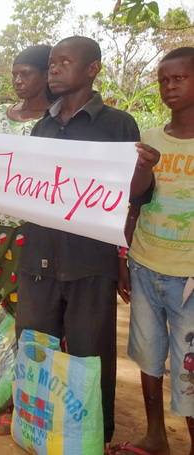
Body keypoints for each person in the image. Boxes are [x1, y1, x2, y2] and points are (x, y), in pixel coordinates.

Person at [0, 36, 157, 444]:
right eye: (51, 62)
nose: (53, 68)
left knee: (90, 352)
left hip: (89, 260)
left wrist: (143, 168)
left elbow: (136, 193)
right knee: (34, 344)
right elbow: (24, 185)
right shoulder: (43, 126)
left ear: (92, 69)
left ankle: (92, 437)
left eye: (63, 62)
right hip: (38, 257)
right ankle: (37, 427)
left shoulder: (118, 125)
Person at [109, 46, 194, 455]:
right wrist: (123, 255)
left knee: (190, 366)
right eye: (163, 80)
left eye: (179, 78)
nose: (169, 86)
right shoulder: (151, 140)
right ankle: (156, 435)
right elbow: (135, 199)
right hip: (146, 264)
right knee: (148, 355)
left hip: (190, 278)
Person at [0, 44, 53, 437]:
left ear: (46, 75)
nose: (19, 81)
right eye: (15, 74)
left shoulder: (55, 120)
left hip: (31, 229)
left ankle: (19, 397)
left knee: (26, 313)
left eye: (27, 74)